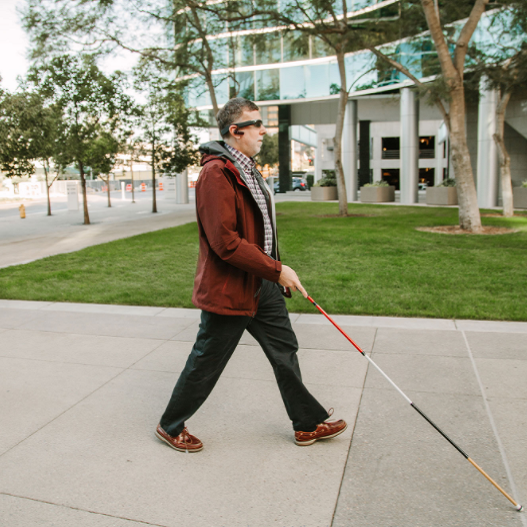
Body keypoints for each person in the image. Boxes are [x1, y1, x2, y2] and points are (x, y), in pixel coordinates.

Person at [156, 97, 347, 453]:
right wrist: (277, 269)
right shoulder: (216, 173)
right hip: (231, 288)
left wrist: (271, 273)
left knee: (284, 351)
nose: (263, 130)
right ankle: (170, 425)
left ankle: (306, 423)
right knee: (207, 361)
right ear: (235, 131)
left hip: (262, 286)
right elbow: (225, 242)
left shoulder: (247, 168)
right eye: (256, 124)